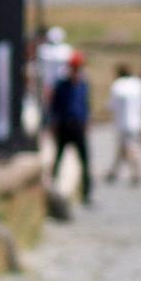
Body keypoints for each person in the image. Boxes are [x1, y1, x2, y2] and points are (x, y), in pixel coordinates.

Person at [50, 52, 93, 205]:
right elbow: (55, 106)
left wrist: (87, 121)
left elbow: (85, 105)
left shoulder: (83, 84)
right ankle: (52, 188)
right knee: (58, 159)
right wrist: (54, 124)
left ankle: (87, 193)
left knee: (85, 161)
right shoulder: (61, 85)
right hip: (64, 126)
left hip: (78, 126)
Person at [106, 63, 141, 186]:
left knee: (130, 147)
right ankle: (114, 171)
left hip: (123, 122)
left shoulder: (118, 86)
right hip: (137, 121)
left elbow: (111, 106)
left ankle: (137, 172)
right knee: (123, 147)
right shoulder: (138, 84)